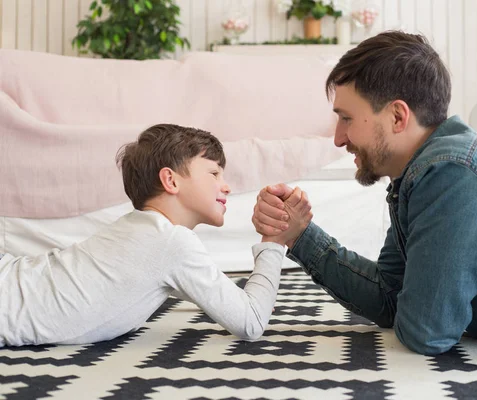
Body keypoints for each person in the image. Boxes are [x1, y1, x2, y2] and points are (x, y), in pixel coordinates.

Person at [252, 30, 477, 355]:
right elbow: (390, 297)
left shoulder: (452, 173)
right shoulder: (421, 171)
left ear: (398, 117)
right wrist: (298, 235)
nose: (338, 138)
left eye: (347, 118)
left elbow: (427, 331)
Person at [0, 123, 308, 347]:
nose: (225, 185)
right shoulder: (173, 243)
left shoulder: (141, 230)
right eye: (214, 173)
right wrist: (274, 241)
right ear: (170, 181)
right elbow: (250, 322)